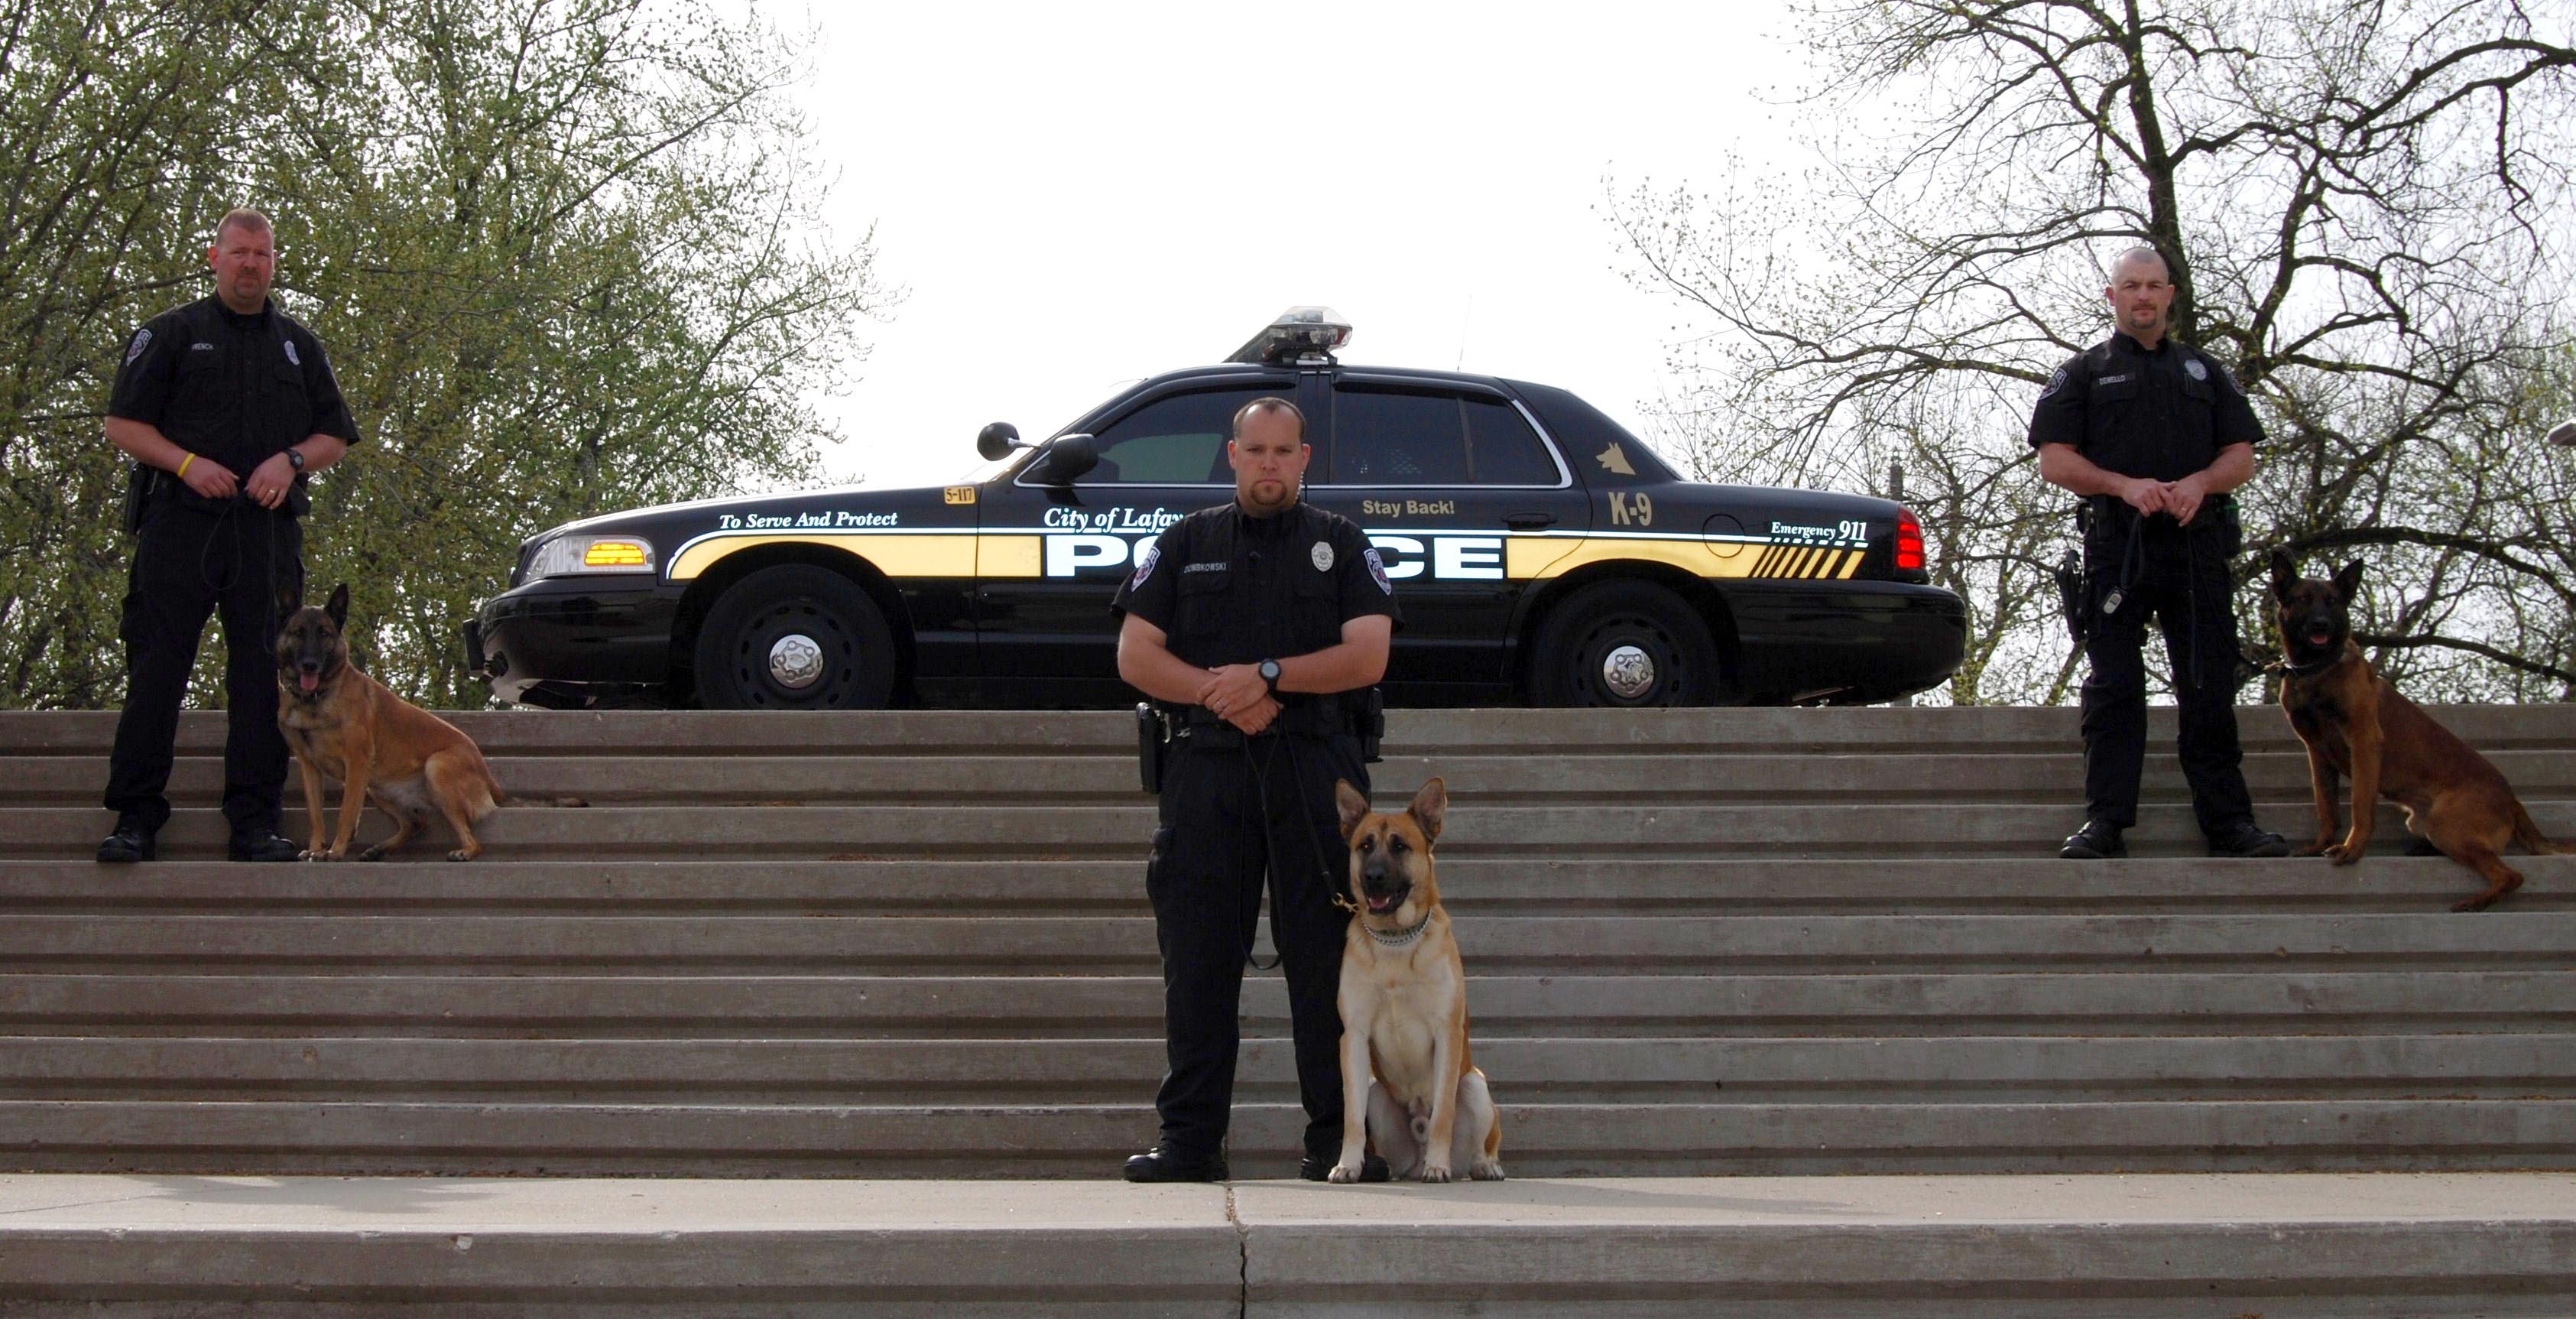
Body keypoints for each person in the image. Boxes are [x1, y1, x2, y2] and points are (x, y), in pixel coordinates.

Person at [1109, 395, 1399, 1182]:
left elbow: (1368, 654)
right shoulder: (1185, 542)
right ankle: (1189, 1143)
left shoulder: (1340, 545)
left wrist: (1269, 675)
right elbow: (1135, 653)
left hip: (1317, 771)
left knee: (1326, 965)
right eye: (1255, 450)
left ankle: (1337, 1146)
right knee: (1198, 962)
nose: (1269, 464)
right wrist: (1221, 693)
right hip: (1208, 770)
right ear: (1231, 455)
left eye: (1284, 451)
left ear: (1305, 459)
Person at [96, 207, 362, 864]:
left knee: (259, 676)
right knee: (158, 667)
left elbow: (334, 435)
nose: (251, 265)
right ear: (214, 258)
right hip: (181, 524)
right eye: (240, 253)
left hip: (265, 532)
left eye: (262, 255)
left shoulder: (298, 345)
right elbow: (121, 424)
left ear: (274, 263)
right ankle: (136, 816)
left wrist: (292, 460)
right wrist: (186, 463)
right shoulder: (171, 334)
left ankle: (254, 821)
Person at [2029, 245, 2288, 861]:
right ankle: (2106, 823)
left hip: (2197, 547)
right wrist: (2124, 485)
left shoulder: (2205, 371)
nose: (2143, 296)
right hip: (2120, 547)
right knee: (2115, 686)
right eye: (2131, 286)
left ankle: (2229, 824)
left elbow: (2242, 455)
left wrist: (2202, 482)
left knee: (2208, 686)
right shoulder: (2084, 372)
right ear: (2111, 297)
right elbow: (2053, 459)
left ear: (2170, 295)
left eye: (2153, 286)